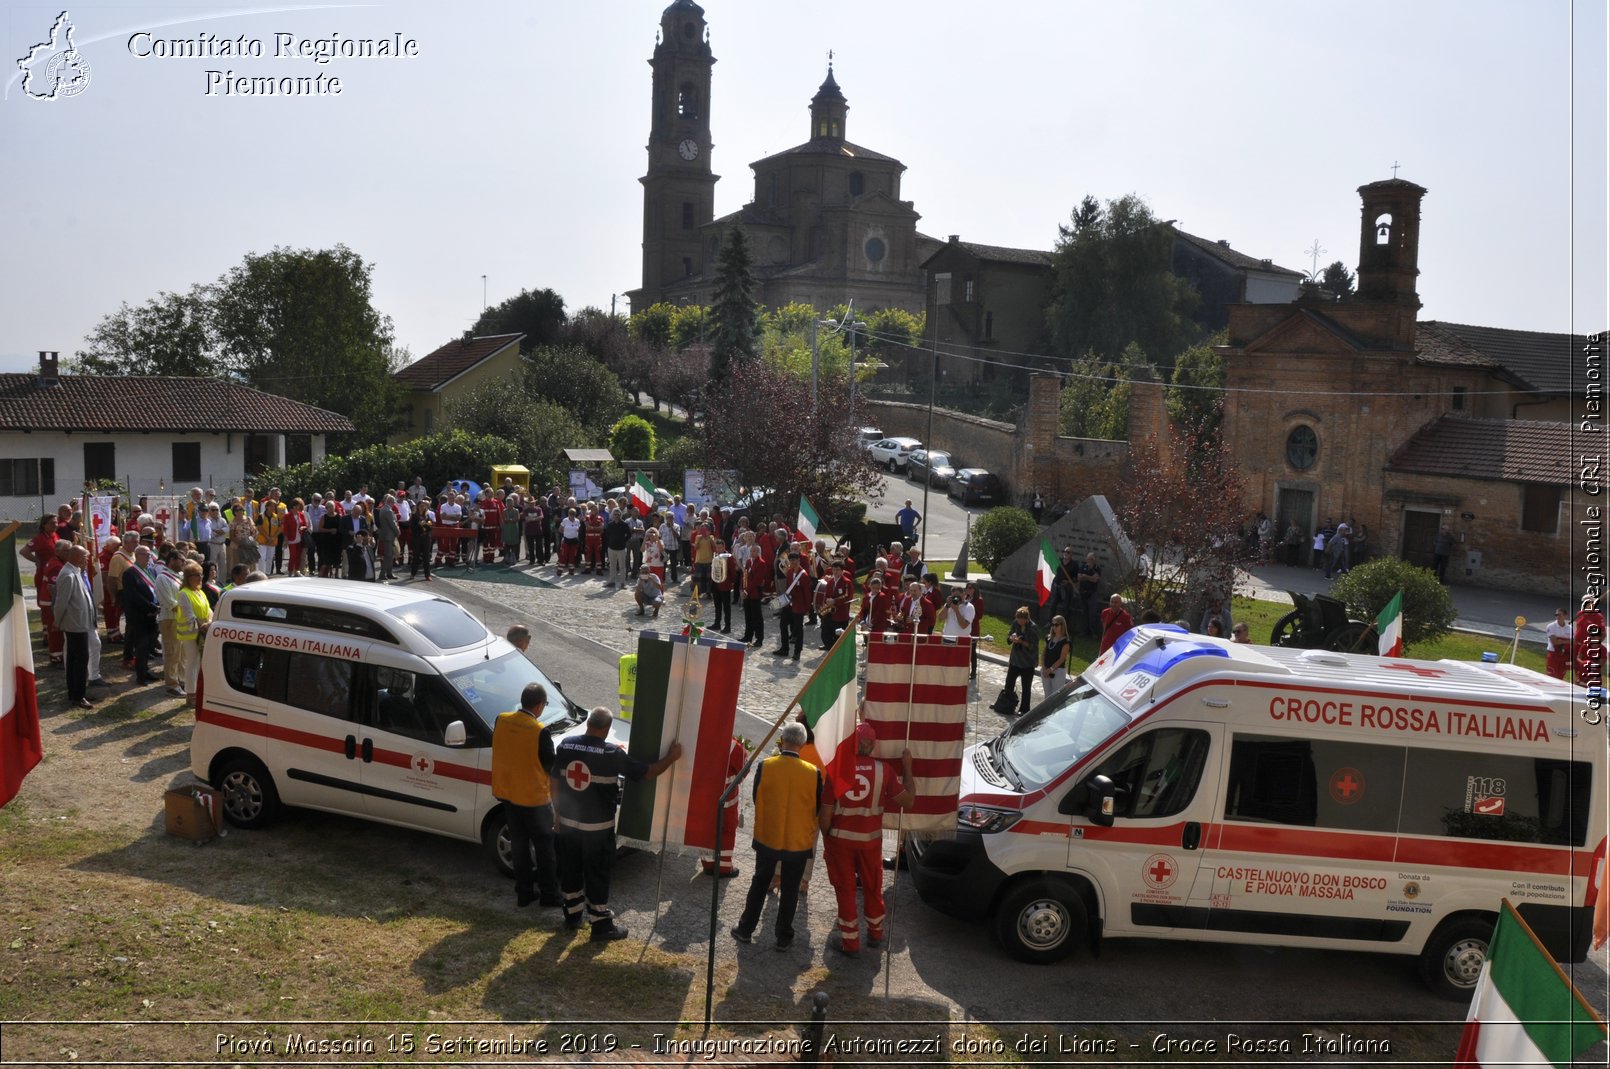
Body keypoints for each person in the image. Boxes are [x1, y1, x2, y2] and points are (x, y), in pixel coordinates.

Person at [553, 707, 681, 941]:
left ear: (589, 723)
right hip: (597, 830)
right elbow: (648, 773)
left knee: (570, 871)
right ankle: (601, 925)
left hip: (568, 825)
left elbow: (553, 780)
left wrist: (556, 813)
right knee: (597, 875)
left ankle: (571, 916)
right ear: (607, 729)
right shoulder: (611, 753)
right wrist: (672, 758)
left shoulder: (566, 746)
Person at [820, 720, 913, 955]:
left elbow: (825, 816)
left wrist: (827, 836)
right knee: (873, 886)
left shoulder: (837, 770)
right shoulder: (884, 771)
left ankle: (850, 942)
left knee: (846, 889)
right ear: (872, 746)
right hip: (870, 840)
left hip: (840, 840)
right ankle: (875, 934)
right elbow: (908, 801)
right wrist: (908, 767)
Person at [731, 722, 822, 951]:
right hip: (798, 840)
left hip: (768, 836)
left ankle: (745, 929)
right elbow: (817, 808)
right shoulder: (813, 773)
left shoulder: (766, 766)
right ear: (802, 744)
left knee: (760, 882)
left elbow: (756, 796)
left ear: (782, 741)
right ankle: (783, 936)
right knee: (790, 890)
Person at [491, 683, 563, 909]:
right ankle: (549, 895)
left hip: (509, 795)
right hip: (534, 800)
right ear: (540, 705)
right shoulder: (539, 731)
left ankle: (524, 893)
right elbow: (550, 767)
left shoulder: (501, 720)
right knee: (544, 850)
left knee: (519, 845)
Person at [54, 544, 96, 709]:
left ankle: (75, 692)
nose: (87, 559)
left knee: (74, 660)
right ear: (77, 557)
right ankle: (78, 695)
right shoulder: (68, 575)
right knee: (79, 660)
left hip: (80, 623)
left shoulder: (75, 571)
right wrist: (57, 621)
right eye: (84, 556)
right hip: (75, 625)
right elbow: (61, 602)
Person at [701, 736, 747, 878]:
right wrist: (745, 752)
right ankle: (723, 868)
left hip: (704, 798)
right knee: (727, 831)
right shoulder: (733, 746)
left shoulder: (701, 737)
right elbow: (743, 770)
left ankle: (708, 864)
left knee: (707, 831)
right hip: (726, 799)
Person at [120, 544, 160, 683]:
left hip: (152, 614)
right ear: (137, 556)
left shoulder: (151, 570)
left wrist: (157, 606)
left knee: (149, 645)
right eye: (145, 555)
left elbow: (155, 590)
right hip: (139, 615)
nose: (148, 557)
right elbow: (133, 596)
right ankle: (140, 675)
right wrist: (151, 607)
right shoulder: (130, 573)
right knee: (141, 646)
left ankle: (145, 670)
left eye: (149, 555)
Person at [175, 562, 212, 694]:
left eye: (201, 574)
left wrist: (210, 622)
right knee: (192, 663)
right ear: (188, 577)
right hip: (191, 633)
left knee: (199, 664)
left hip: (202, 631)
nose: (200, 577)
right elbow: (189, 615)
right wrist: (203, 626)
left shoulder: (200, 592)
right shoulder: (184, 594)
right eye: (196, 575)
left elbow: (209, 611)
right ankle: (191, 693)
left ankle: (198, 691)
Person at [996, 607, 1040, 716]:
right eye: (1017, 619)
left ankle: (1024, 709)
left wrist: (1021, 641)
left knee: (1026, 687)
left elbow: (1033, 646)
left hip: (1027, 662)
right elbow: (1009, 636)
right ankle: (1005, 704)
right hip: (1015, 660)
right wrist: (1011, 638)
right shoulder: (1015, 624)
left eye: (1021, 620)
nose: (1019, 622)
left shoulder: (1033, 628)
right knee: (1009, 682)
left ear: (1026, 619)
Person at [154, 547, 185, 696]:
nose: (183, 563)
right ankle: (172, 684)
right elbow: (168, 601)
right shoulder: (162, 577)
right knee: (172, 652)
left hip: (181, 619)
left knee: (182, 652)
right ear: (172, 560)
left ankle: (182, 679)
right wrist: (186, 611)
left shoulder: (180, 576)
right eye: (181, 560)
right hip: (170, 619)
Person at [773, 552, 808, 662]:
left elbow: (807, 593)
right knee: (783, 625)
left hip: (798, 606)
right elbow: (788, 588)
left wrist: (807, 609)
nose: (792, 562)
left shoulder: (804, 575)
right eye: (791, 560)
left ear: (798, 560)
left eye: (795, 560)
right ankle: (784, 648)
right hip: (788, 605)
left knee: (798, 630)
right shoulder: (789, 573)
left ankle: (797, 652)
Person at [819, 560, 855, 650]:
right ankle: (828, 646)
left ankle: (837, 650)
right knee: (825, 630)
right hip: (829, 612)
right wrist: (826, 601)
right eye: (834, 570)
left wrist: (834, 601)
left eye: (838, 570)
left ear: (842, 571)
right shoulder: (830, 582)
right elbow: (826, 594)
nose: (835, 572)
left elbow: (848, 597)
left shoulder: (847, 582)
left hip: (840, 614)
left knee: (838, 634)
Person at [1574, 597, 1605, 685]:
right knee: (1577, 668)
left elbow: (1603, 634)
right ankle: (1576, 685)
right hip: (1577, 645)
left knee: (1587, 669)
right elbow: (1578, 629)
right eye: (1583, 602)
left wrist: (1595, 645)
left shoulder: (1598, 616)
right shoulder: (1580, 613)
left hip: (1587, 647)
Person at [1041, 614, 1070, 700]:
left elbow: (1062, 659)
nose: (1054, 627)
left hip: (1058, 672)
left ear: (1062, 625)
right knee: (1047, 695)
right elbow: (1043, 654)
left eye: (1056, 625)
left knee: (1055, 697)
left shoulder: (1065, 641)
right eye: (1052, 625)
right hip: (1046, 669)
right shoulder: (1049, 638)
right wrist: (1044, 668)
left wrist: (1050, 669)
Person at [1076, 553, 1102, 638]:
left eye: (1092, 559)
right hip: (1082, 593)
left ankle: (1093, 632)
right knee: (1083, 613)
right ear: (1086, 559)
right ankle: (1083, 631)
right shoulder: (1082, 567)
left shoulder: (1097, 568)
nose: (1090, 561)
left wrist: (1086, 576)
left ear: (1095, 560)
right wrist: (1090, 577)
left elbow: (1095, 580)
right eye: (1089, 559)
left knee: (1092, 614)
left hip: (1092, 594)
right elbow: (1079, 578)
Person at [1545, 608, 1572, 680]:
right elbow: (1554, 642)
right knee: (1551, 676)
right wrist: (1566, 641)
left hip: (1564, 656)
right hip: (1553, 655)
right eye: (1556, 615)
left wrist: (1560, 640)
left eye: (1559, 615)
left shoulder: (1570, 628)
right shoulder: (1551, 626)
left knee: (1560, 677)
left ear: (1565, 616)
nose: (1557, 617)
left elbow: (1573, 642)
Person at [409, 503, 435, 581]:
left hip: (426, 538)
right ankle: (413, 573)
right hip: (417, 538)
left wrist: (425, 525)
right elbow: (412, 527)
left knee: (426, 557)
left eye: (424, 506)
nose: (422, 507)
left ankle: (427, 575)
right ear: (418, 507)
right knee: (416, 556)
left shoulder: (428, 516)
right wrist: (419, 525)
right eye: (421, 506)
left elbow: (430, 526)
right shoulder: (414, 516)